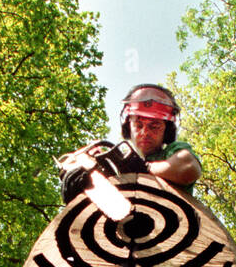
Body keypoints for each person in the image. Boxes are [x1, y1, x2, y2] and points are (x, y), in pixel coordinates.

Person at [59, 83, 202, 203]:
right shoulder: (117, 165)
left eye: (154, 126)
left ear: (167, 130)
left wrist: (144, 168)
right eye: (139, 125)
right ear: (129, 127)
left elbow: (188, 168)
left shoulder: (172, 151)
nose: (145, 132)